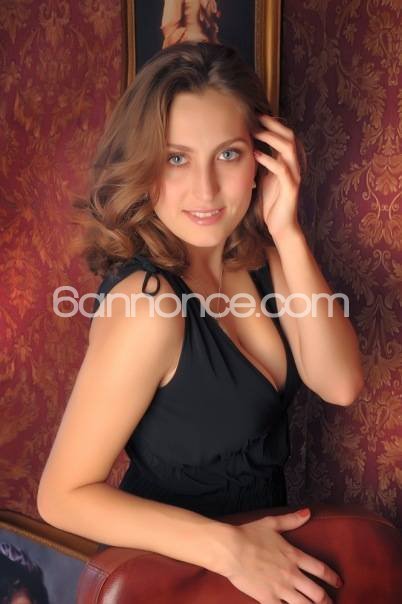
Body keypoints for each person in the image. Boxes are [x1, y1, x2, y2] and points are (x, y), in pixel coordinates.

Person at [37, 41, 364, 604]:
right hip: (175, 578)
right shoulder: (147, 305)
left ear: (263, 156)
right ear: (144, 165)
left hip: (261, 569)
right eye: (177, 158)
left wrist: (287, 230)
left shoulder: (263, 258)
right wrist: (231, 550)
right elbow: (61, 497)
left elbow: (340, 383)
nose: (206, 190)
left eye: (229, 154)